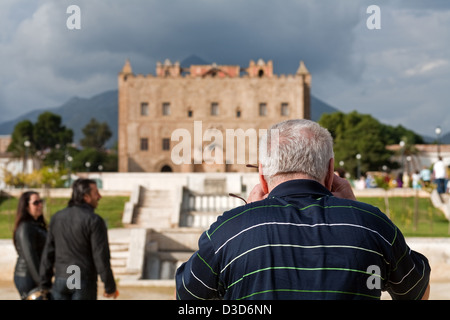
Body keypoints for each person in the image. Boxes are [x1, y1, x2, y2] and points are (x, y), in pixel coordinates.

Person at [175, 119, 430, 300]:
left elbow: (186, 296)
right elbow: (417, 293)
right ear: (331, 170)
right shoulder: (373, 225)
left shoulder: (228, 232)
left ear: (262, 174)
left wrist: (248, 219)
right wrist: (354, 210)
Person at [39, 178, 118, 300]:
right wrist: (109, 286)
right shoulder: (94, 220)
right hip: (80, 280)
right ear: (86, 197)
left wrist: (44, 283)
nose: (99, 196)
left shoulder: (57, 217)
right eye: (96, 193)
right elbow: (101, 256)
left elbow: (48, 251)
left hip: (61, 279)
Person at [13, 191, 47, 299]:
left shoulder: (37, 225)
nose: (40, 205)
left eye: (40, 201)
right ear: (26, 207)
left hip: (36, 274)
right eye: (36, 203)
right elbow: (30, 256)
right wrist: (41, 282)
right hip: (27, 276)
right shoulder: (25, 228)